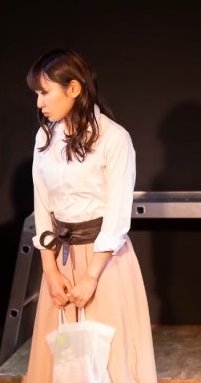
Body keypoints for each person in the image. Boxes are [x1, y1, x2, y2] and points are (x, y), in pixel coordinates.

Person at [24, 48, 157, 382]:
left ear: (74, 88)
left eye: (45, 92)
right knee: (64, 362)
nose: (40, 103)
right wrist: (49, 270)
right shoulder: (45, 137)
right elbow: (42, 205)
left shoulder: (114, 138)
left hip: (104, 262)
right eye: (37, 94)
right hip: (61, 261)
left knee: (106, 361)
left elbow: (117, 214)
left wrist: (92, 276)